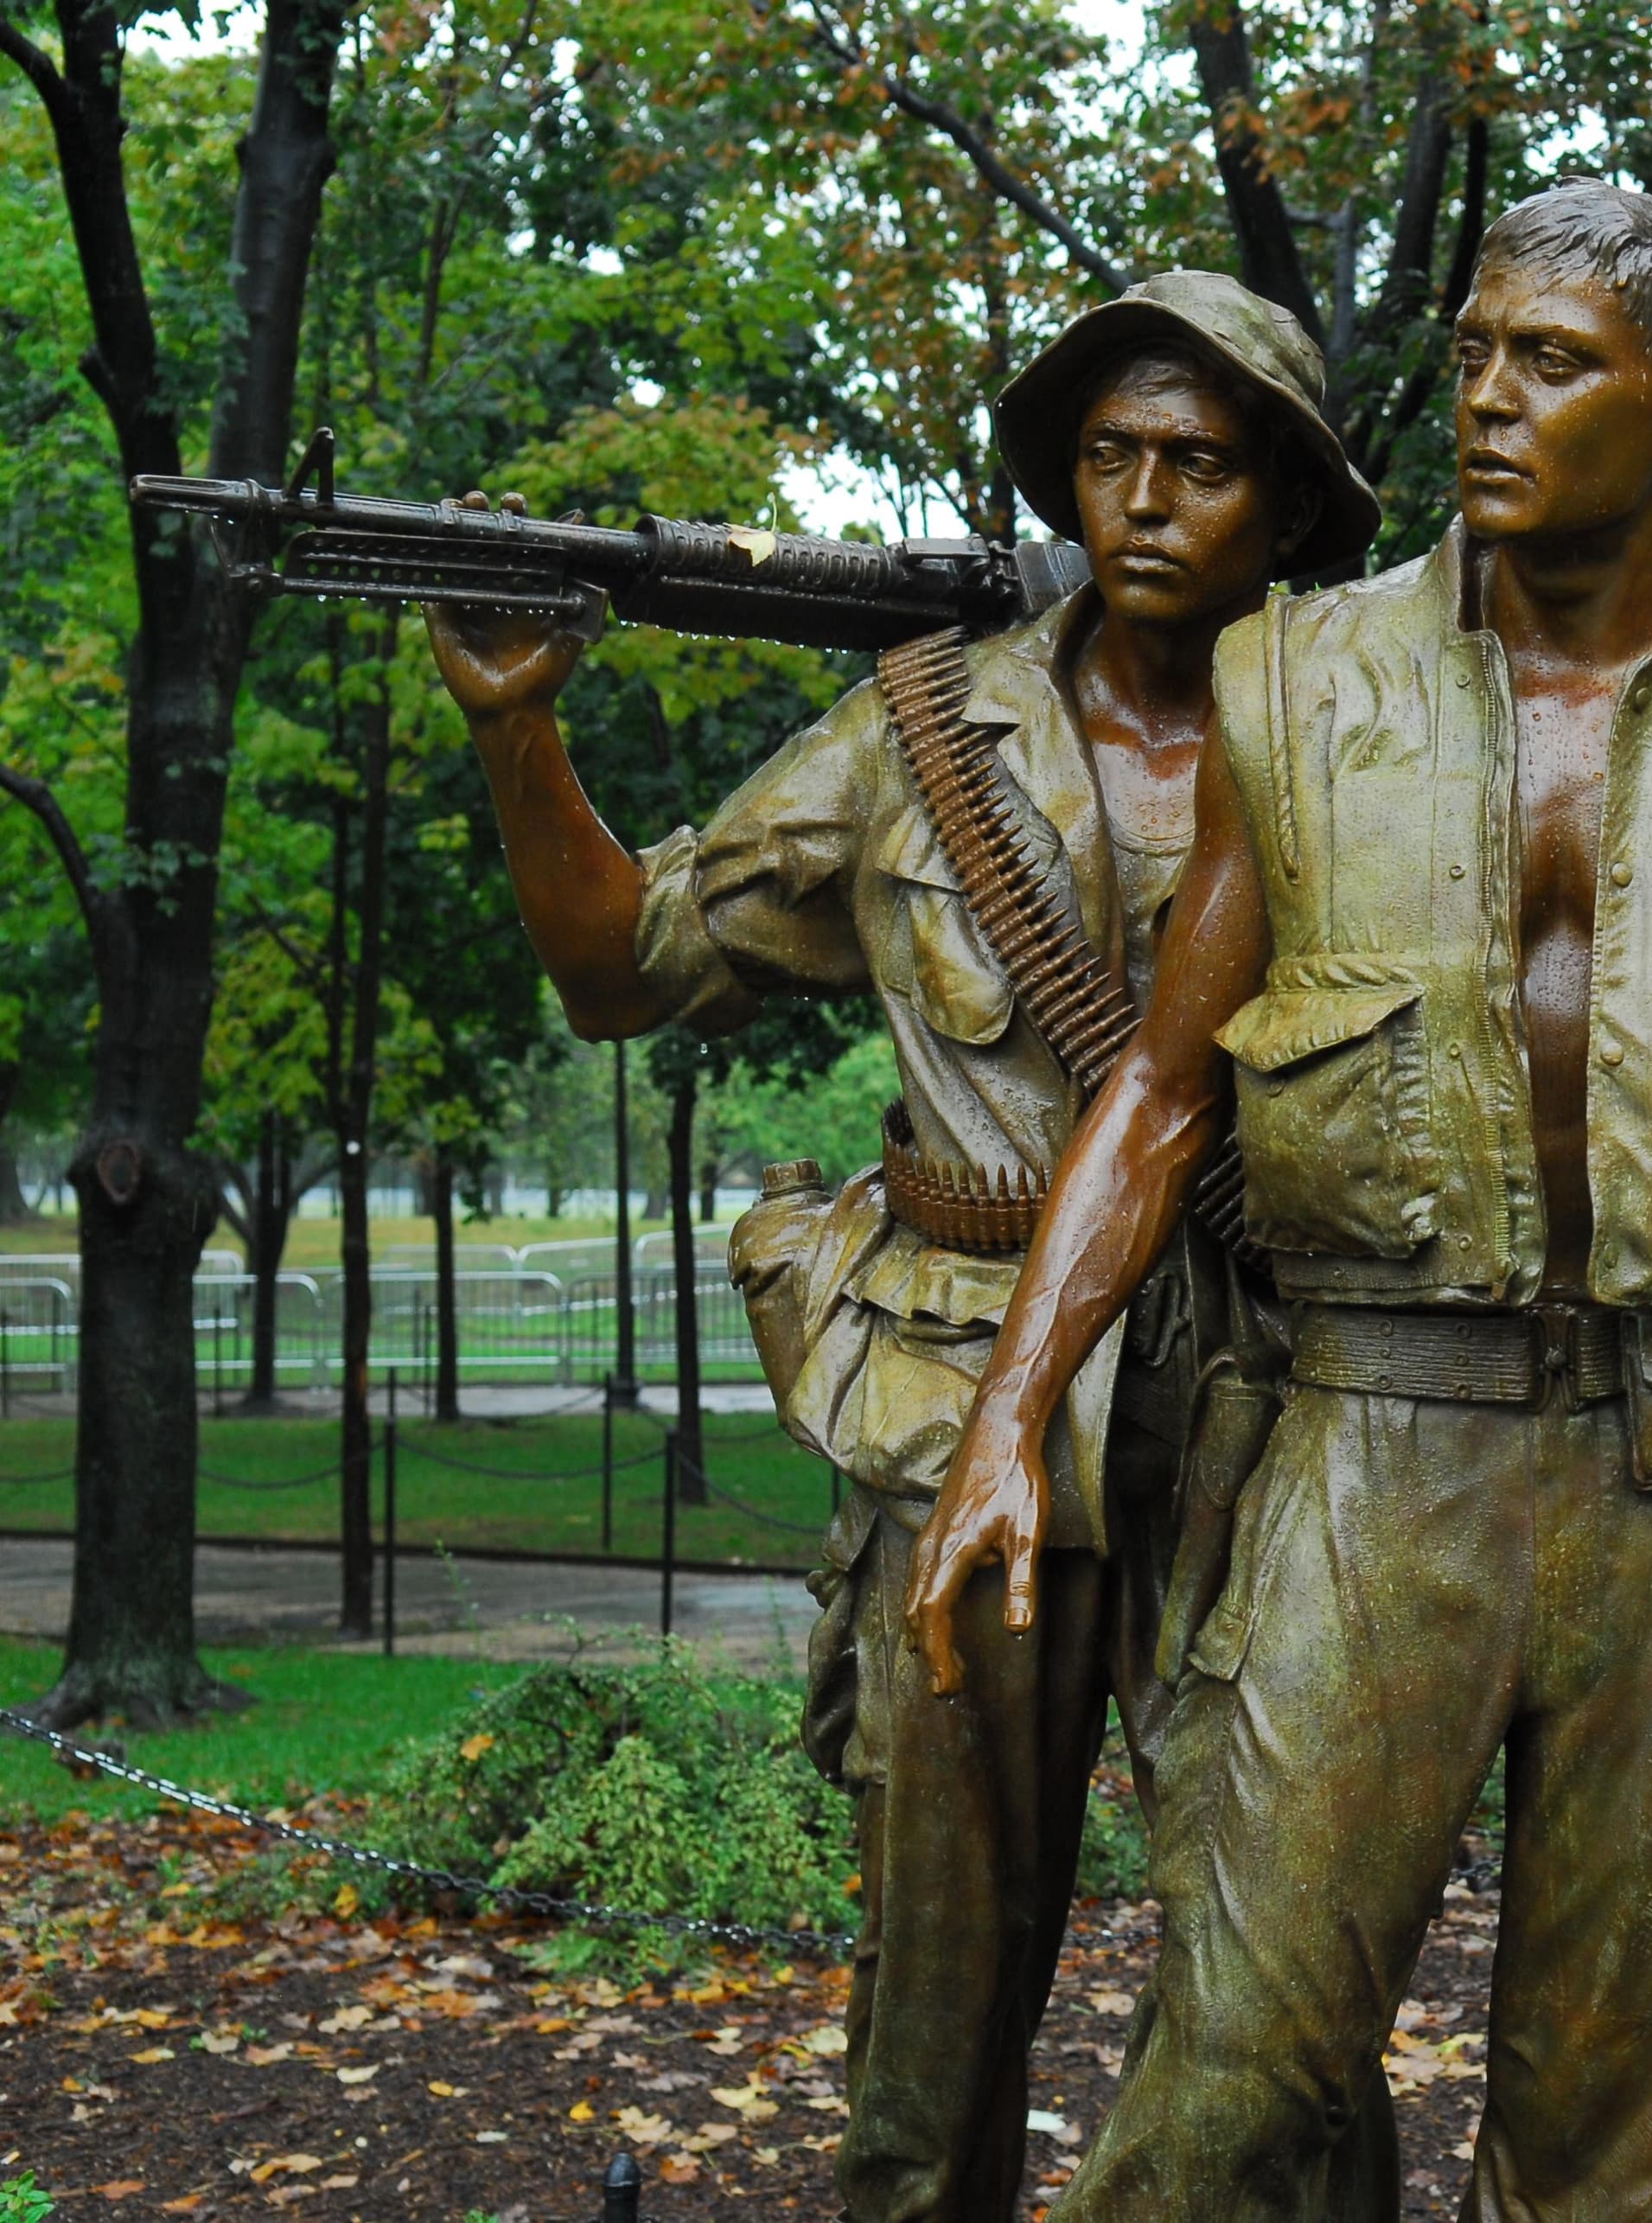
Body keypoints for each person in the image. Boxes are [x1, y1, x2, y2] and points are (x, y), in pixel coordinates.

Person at [908, 179, 1652, 2223]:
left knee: (1604, 2148)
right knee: (1232, 2077)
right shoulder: (1294, 678)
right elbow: (1164, 1089)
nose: (1490, 401)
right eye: (1475, 354)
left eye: (1554, 363)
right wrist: (1008, 1416)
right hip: (1372, 1448)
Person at [423, 270, 1380, 2223]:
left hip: (1273, 1409)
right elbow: (621, 966)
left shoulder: (1380, 742)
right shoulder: (919, 731)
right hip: (963, 1408)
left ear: (1285, 506)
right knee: (933, 2014)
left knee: (1283, 1991)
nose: (1144, 499)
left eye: (1200, 464)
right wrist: (525, 737)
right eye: (1107, 455)